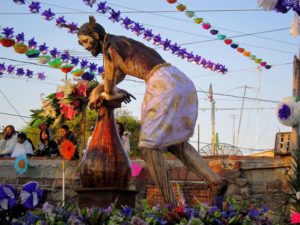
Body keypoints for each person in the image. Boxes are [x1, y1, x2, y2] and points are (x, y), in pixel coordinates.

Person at [77, 16, 227, 204]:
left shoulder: (109, 48)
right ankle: (214, 180)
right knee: (176, 142)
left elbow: (109, 87)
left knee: (147, 148)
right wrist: (101, 89)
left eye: (85, 41)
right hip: (180, 79)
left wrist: (98, 93)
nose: (85, 46)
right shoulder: (122, 42)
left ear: (96, 35)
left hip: (161, 83)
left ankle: (170, 204)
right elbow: (117, 76)